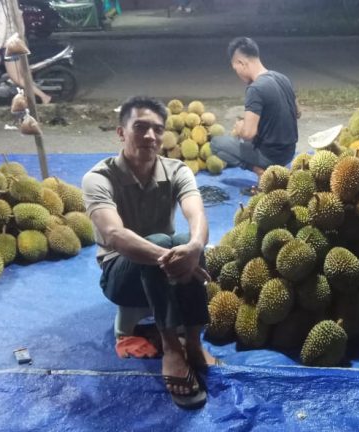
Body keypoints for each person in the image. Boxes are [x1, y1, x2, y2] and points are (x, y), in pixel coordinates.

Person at [82, 96, 213, 410]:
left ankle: (193, 342)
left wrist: (194, 248)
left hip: (166, 259)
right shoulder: (98, 178)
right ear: (121, 132)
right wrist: (169, 257)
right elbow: (114, 234)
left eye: (157, 129)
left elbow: (197, 214)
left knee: (184, 238)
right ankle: (171, 349)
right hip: (119, 274)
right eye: (140, 128)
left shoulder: (177, 170)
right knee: (161, 242)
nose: (150, 136)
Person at [212, 37, 299, 178]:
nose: (237, 74)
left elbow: (248, 134)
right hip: (289, 152)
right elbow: (297, 112)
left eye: (236, 68)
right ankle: (274, 170)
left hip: (271, 157)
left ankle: (261, 172)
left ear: (241, 63)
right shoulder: (282, 78)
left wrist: (241, 128)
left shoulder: (255, 89)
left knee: (216, 144)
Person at [0, 0, 52, 105]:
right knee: (23, 76)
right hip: (18, 41)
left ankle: (44, 96)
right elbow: (21, 25)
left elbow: (2, 29)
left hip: (10, 45)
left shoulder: (2, 6)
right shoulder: (12, 4)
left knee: (16, 77)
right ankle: (31, 100)